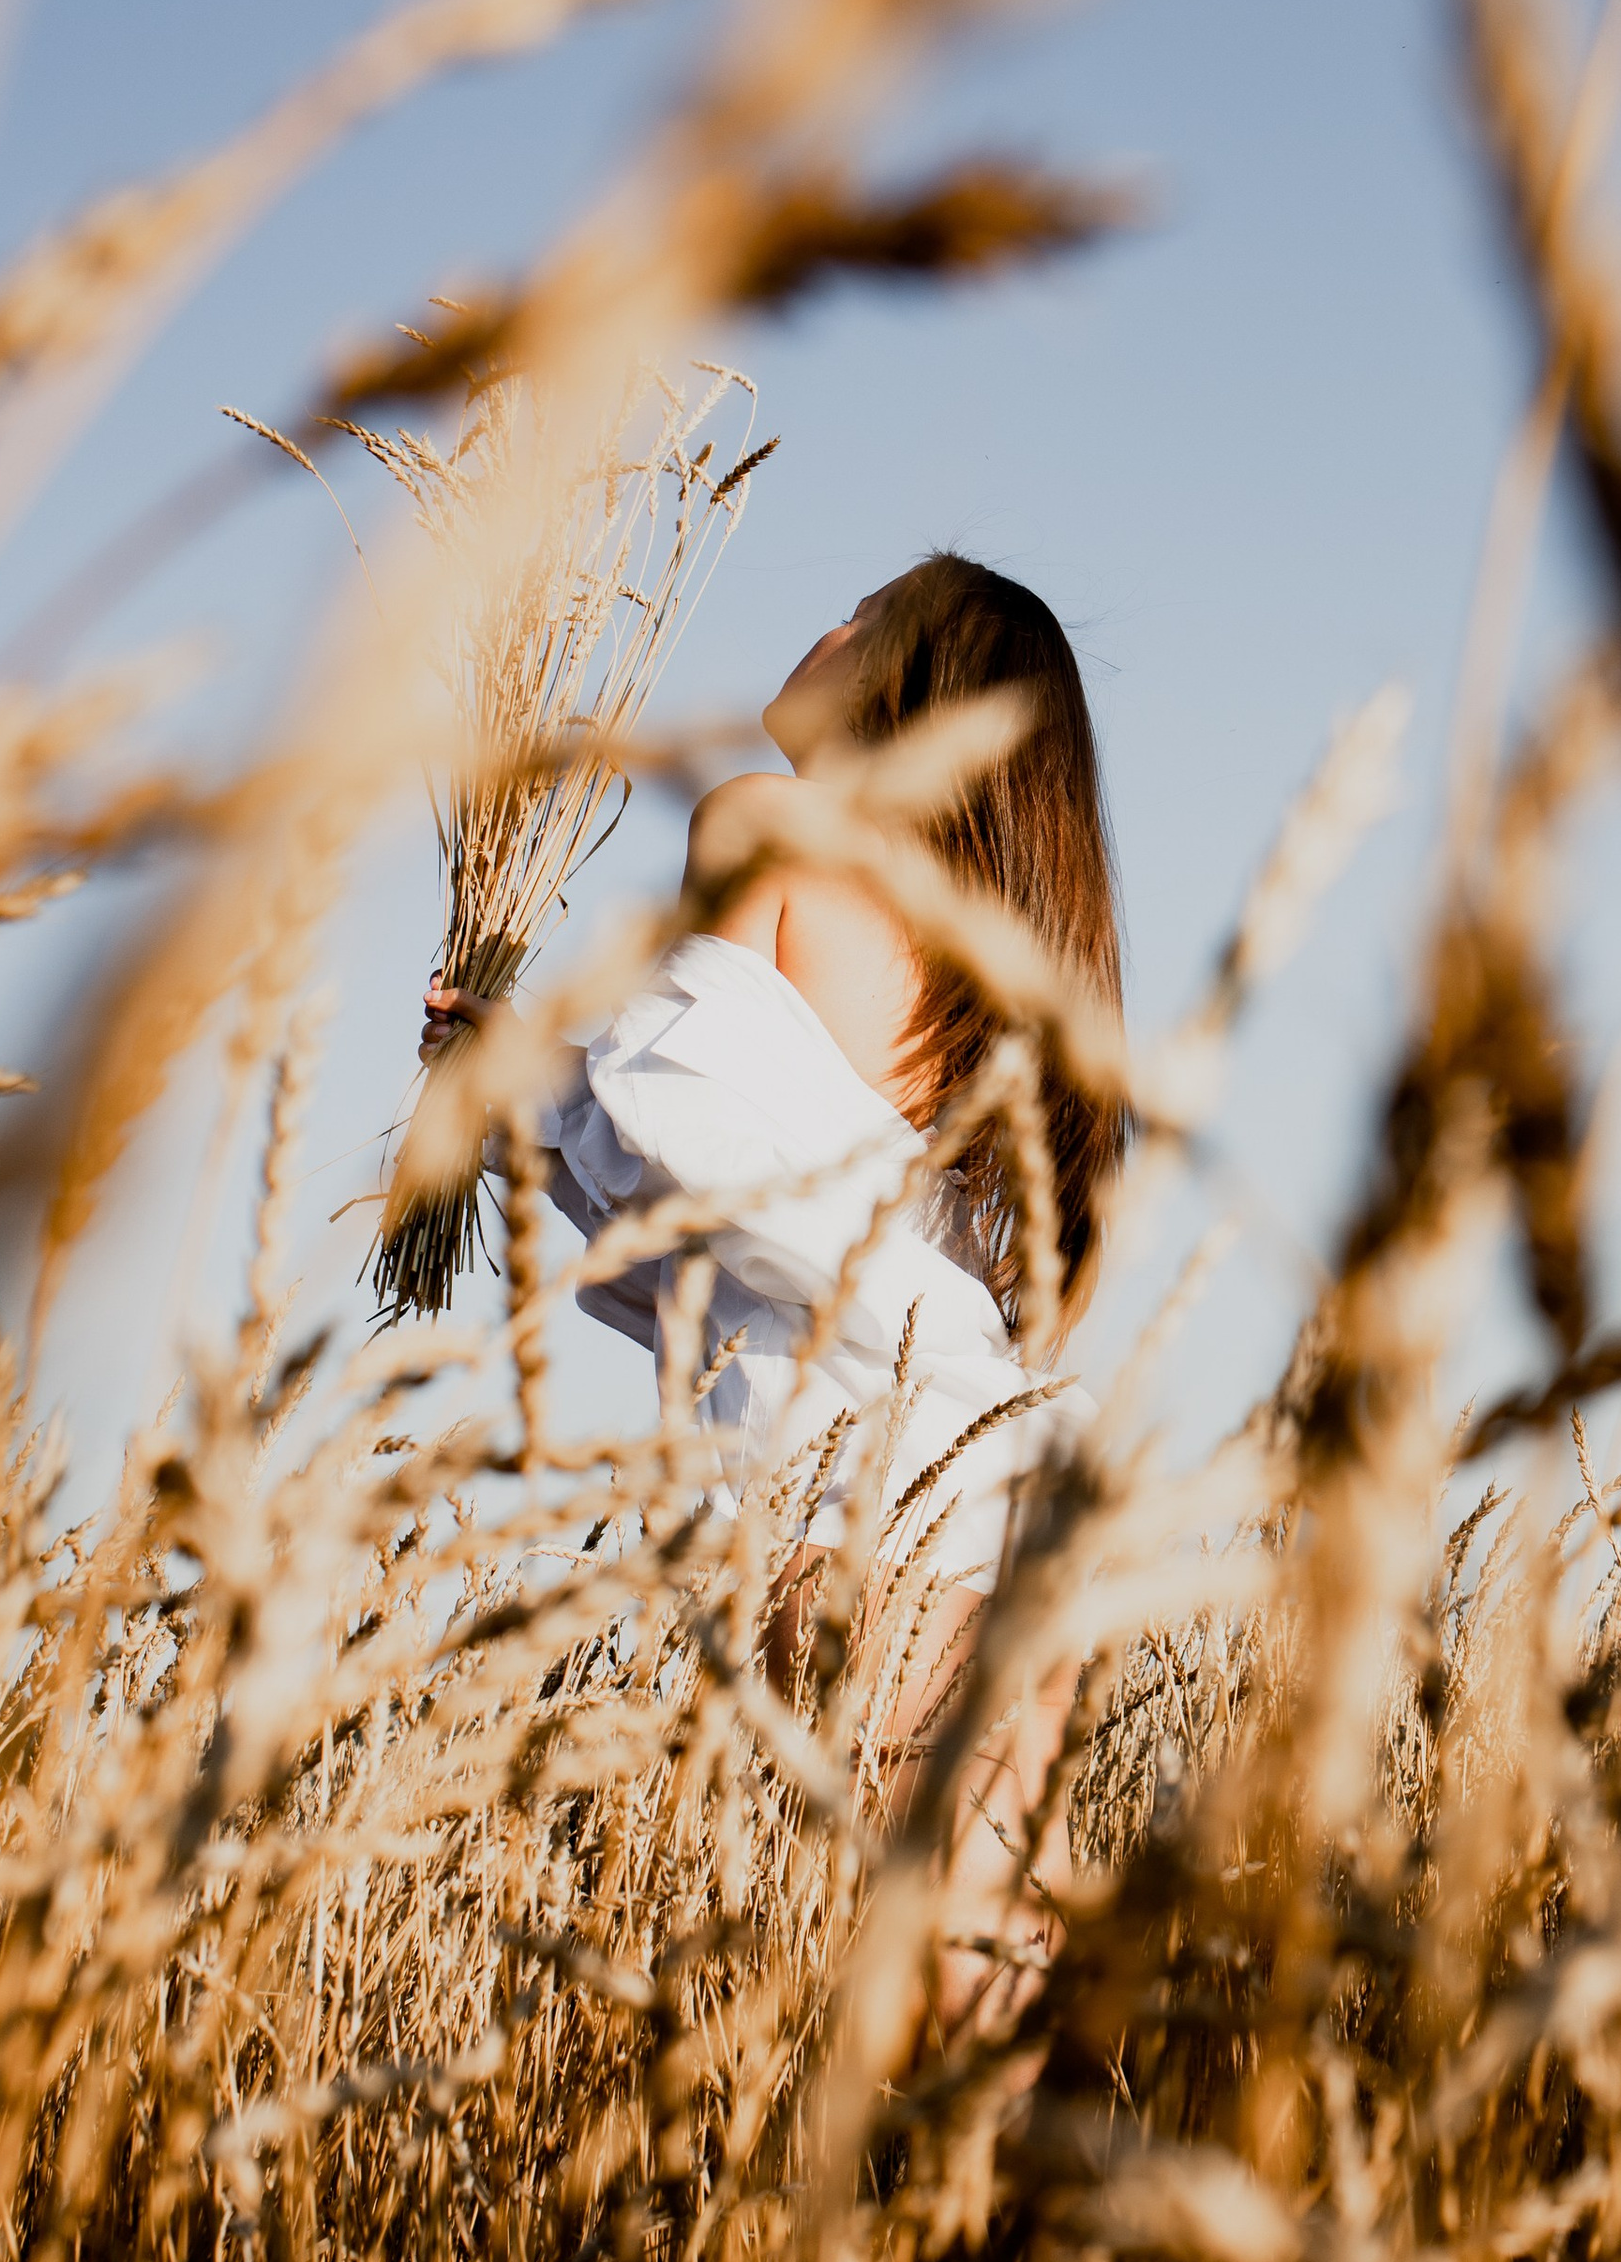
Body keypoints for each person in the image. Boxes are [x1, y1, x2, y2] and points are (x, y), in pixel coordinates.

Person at [421, 554, 1126, 1895]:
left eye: (869, 615)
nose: (831, 622)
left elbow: (684, 1141)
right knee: (984, 1971)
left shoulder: (770, 824)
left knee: (927, 1977)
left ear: (920, 686)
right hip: (1003, 1496)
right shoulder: (982, 968)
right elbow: (763, 1159)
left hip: (848, 1495)